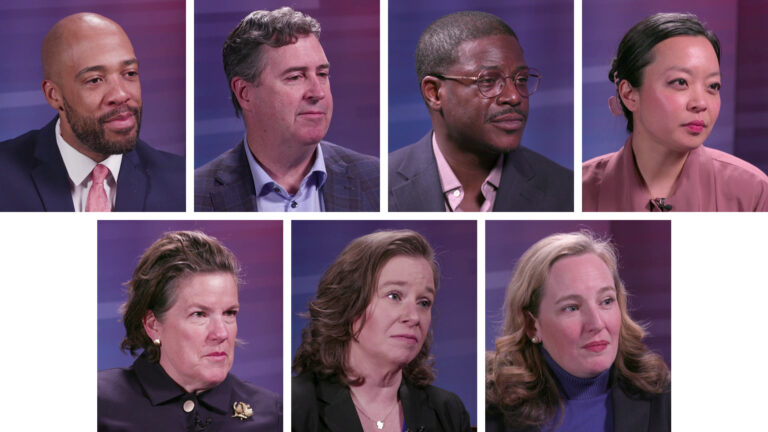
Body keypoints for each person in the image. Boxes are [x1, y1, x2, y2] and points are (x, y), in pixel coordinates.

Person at [195, 7, 379, 212]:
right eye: (295, 77)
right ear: (245, 93)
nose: (317, 92)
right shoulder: (194, 197)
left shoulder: (377, 181)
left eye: (322, 74)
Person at [388, 11, 572, 212]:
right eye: (488, 81)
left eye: (521, 79)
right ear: (435, 93)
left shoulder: (567, 192)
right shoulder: (378, 185)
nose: (514, 97)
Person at [486, 231, 670, 432]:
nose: (596, 323)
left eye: (606, 301)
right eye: (571, 308)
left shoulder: (666, 400)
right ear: (532, 325)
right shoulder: (492, 415)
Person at [583, 12, 768, 212]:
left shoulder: (753, 193)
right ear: (629, 94)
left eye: (713, 86)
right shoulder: (575, 191)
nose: (700, 103)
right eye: (680, 82)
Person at [0, 13, 184, 212]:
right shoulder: (6, 173)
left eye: (129, 73)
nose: (121, 95)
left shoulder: (181, 182)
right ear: (54, 95)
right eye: (95, 80)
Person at [98, 231, 281, 431]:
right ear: (153, 325)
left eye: (229, 313)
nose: (221, 333)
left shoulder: (271, 413)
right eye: (199, 314)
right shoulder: (97, 404)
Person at [292, 230, 471, 431]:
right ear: (349, 304)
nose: (413, 317)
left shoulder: (447, 413)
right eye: (394, 296)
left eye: (424, 302)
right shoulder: (296, 409)